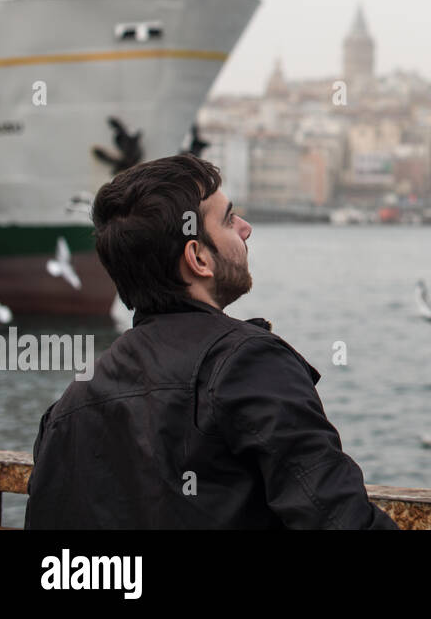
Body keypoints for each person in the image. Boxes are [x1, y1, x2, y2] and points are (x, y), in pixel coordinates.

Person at [25, 153, 397, 529]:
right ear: (198, 258)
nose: (246, 228)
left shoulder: (71, 402)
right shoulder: (248, 364)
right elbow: (339, 520)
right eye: (228, 219)